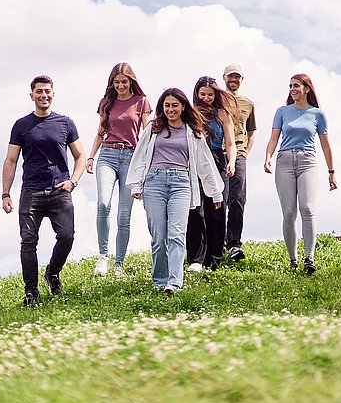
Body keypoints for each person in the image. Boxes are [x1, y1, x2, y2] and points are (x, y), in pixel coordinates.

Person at [126, 88, 224, 294]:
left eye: (174, 105)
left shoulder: (192, 131)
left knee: (177, 234)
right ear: (162, 107)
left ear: (182, 107)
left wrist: (215, 192)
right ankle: (160, 280)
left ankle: (174, 282)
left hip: (181, 183)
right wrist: (136, 184)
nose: (170, 109)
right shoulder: (153, 128)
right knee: (159, 235)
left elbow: (204, 163)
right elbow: (140, 155)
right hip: (154, 182)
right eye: (167, 105)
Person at [2, 75, 87, 307]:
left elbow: (80, 156)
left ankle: (53, 272)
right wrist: (6, 194)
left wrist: (73, 181)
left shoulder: (65, 123)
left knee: (67, 237)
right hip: (31, 191)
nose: (44, 95)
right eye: (39, 91)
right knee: (28, 242)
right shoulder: (21, 125)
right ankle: (31, 292)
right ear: (32, 96)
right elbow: (11, 160)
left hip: (60, 191)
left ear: (53, 94)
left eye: (47, 91)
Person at [263, 73, 336, 274]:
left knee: (307, 208)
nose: (292, 89)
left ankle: (309, 258)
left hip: (307, 161)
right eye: (290, 86)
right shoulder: (282, 112)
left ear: (306, 89)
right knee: (289, 212)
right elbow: (273, 138)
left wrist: (331, 172)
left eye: (296, 85)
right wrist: (268, 156)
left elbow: (326, 145)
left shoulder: (317, 114)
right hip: (285, 161)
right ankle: (293, 259)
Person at [85, 63, 152, 275]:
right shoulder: (107, 103)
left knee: (124, 215)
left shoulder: (141, 102)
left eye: (124, 82)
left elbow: (147, 135)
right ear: (112, 84)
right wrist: (90, 157)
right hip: (107, 154)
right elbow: (99, 132)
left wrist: (145, 164)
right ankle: (103, 256)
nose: (121, 86)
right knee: (103, 203)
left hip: (131, 158)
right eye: (117, 82)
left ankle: (119, 264)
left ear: (131, 81)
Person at [186, 76, 237, 272]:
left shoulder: (223, 114)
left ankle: (214, 258)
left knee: (216, 208)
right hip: (196, 160)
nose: (206, 98)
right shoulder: (191, 113)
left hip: (217, 159)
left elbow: (231, 142)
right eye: (202, 94)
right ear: (196, 94)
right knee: (195, 209)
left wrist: (231, 162)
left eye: (210, 94)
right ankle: (195, 259)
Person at [222, 63, 256, 261]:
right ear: (224, 78)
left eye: (237, 77)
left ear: (242, 80)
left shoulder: (248, 104)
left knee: (237, 199)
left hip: (240, 154)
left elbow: (251, 132)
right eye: (230, 77)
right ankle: (216, 242)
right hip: (219, 153)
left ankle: (234, 243)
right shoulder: (217, 100)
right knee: (218, 198)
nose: (233, 80)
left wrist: (244, 154)